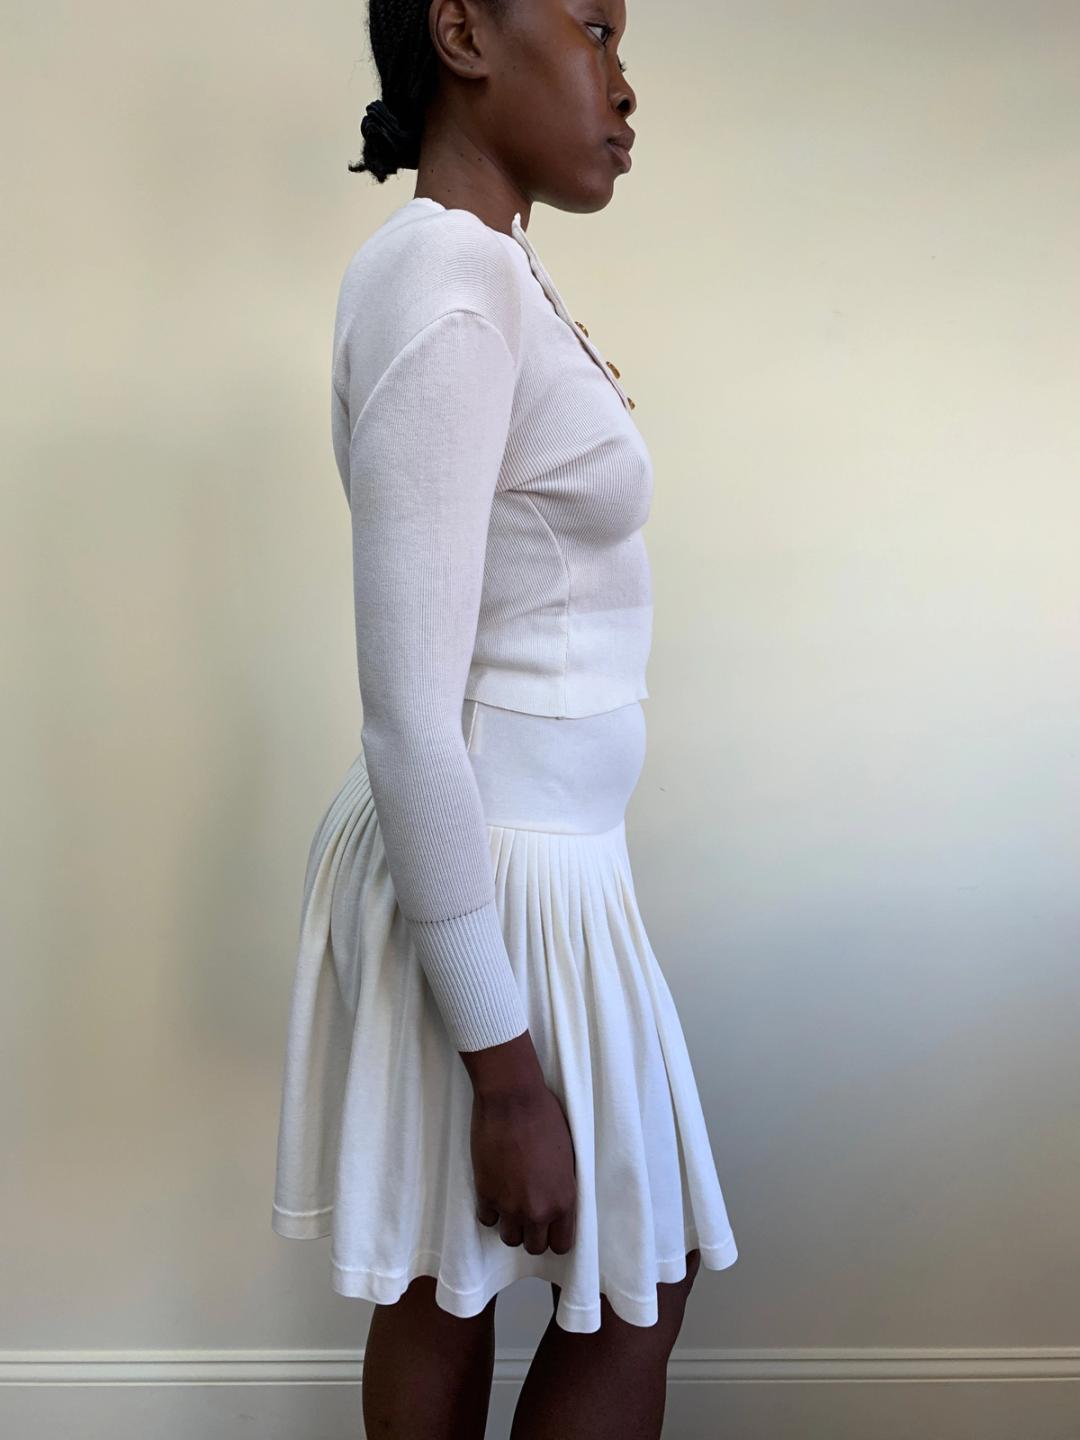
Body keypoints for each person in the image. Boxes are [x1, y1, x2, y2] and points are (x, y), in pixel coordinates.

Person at [271, 1, 738, 1435]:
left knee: (452, 1277)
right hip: (493, 860)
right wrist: (507, 1077)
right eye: (593, 27)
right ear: (463, 31)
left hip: (542, 858)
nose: (622, 82)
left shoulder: (483, 270)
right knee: (601, 1283)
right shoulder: (450, 281)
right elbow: (409, 718)